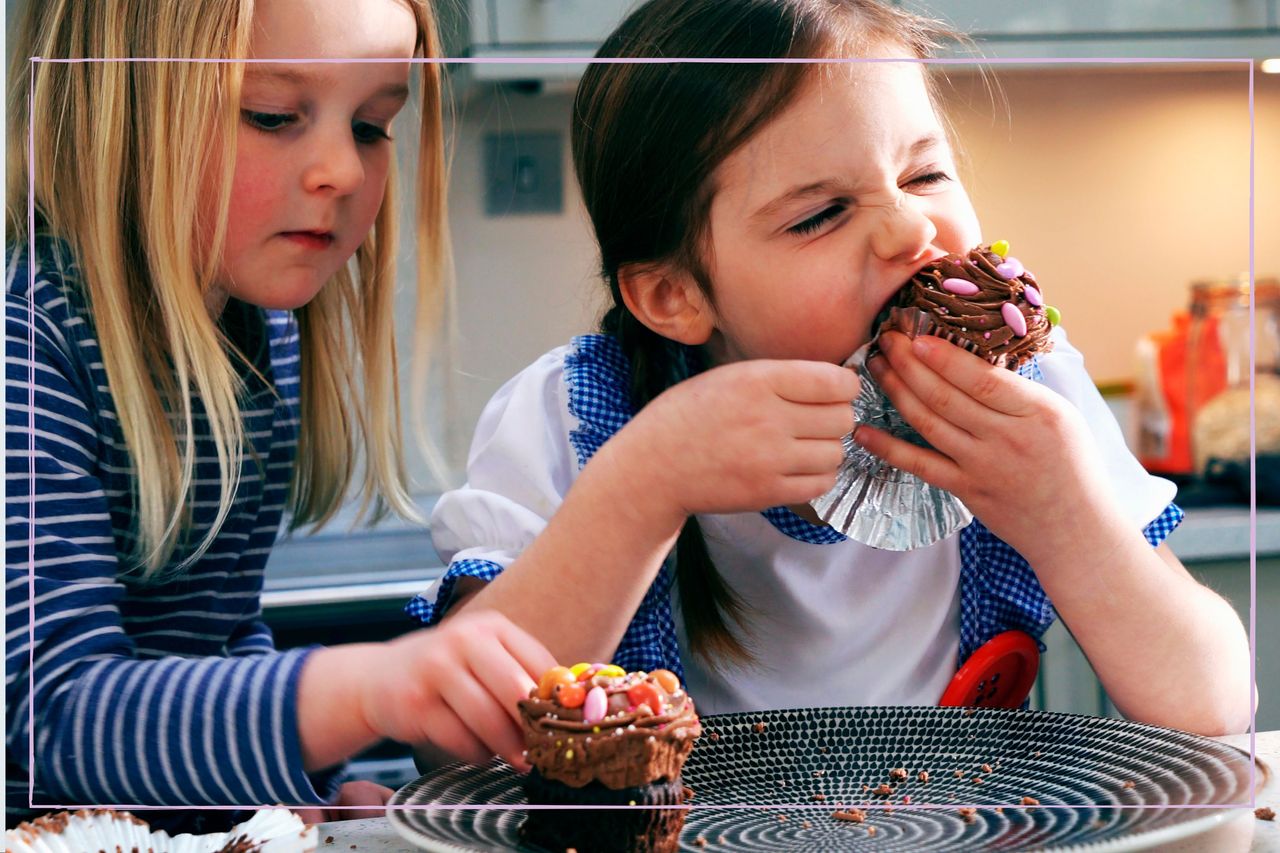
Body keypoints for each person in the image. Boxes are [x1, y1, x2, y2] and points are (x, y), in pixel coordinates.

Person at [408, 0, 1251, 737]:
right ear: (673, 294)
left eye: (924, 173)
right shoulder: (574, 417)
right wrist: (641, 485)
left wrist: (1065, 515)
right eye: (821, 215)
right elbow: (458, 742)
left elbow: (1215, 705)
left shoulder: (1029, 401)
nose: (907, 232)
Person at [5, 0, 555, 830]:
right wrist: (367, 686)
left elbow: (215, 643)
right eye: (271, 115)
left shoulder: (259, 336)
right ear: (119, 105)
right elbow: (62, 722)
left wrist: (283, 792)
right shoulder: (26, 345)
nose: (343, 169)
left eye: (372, 126)